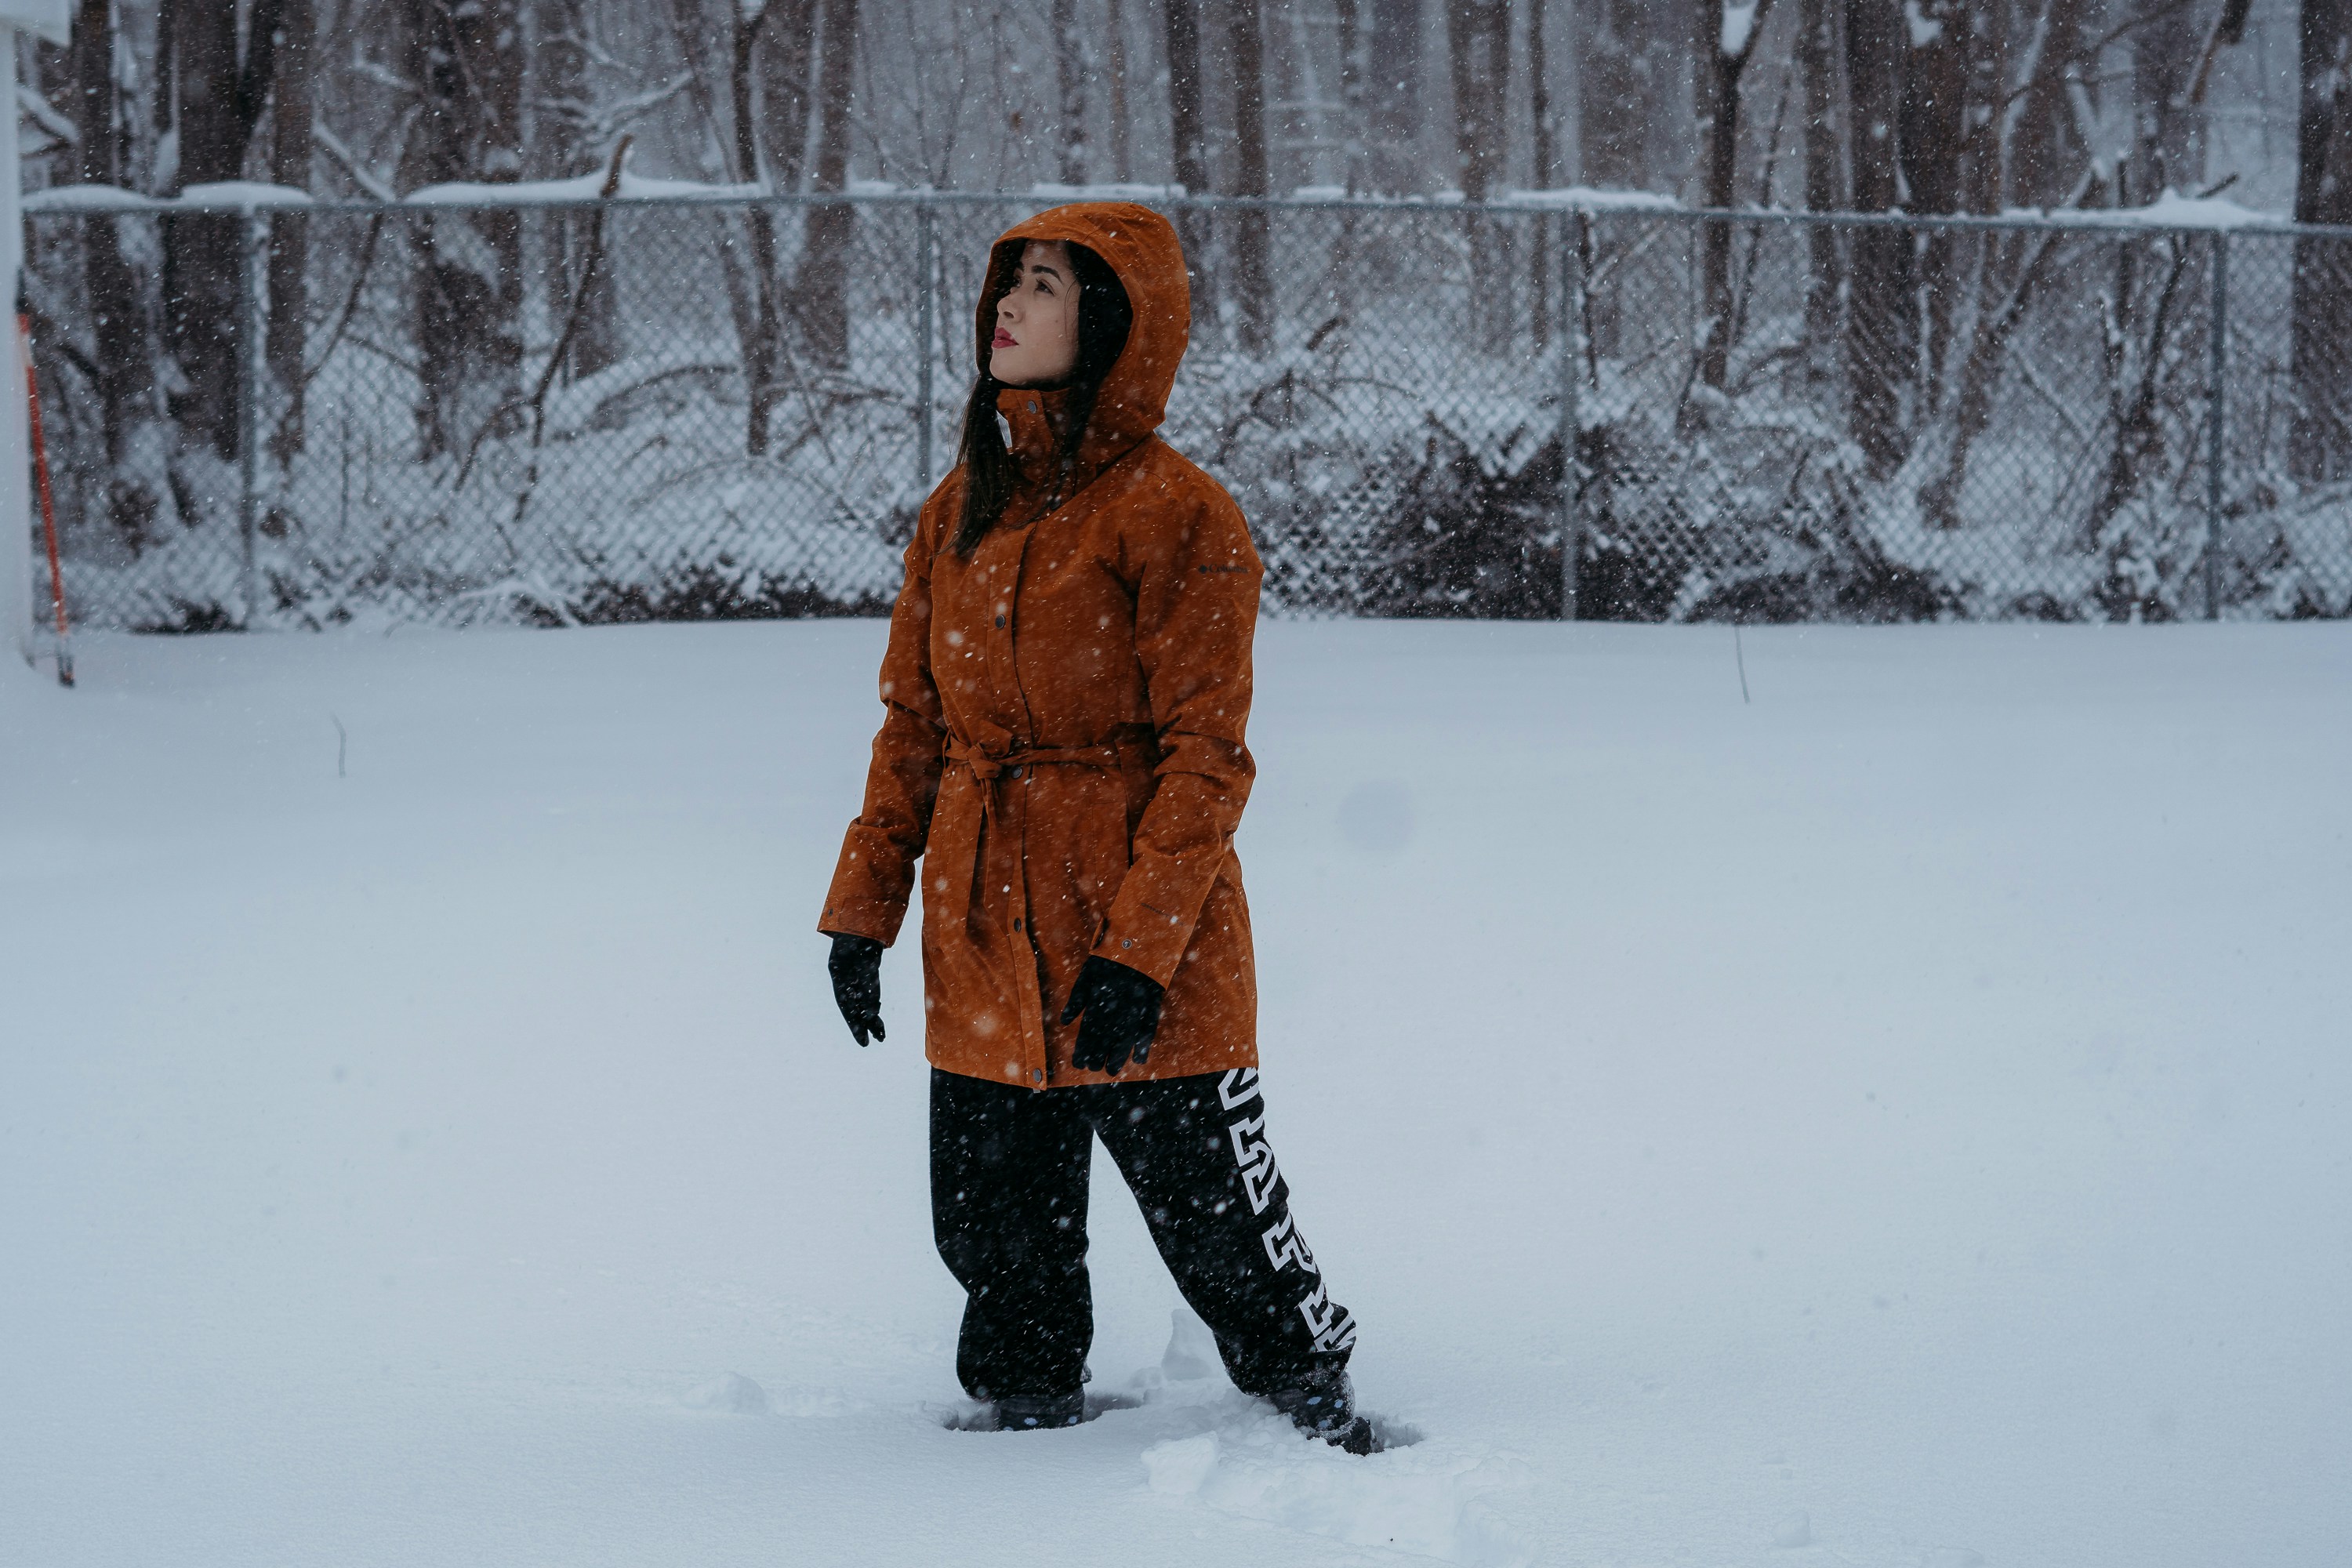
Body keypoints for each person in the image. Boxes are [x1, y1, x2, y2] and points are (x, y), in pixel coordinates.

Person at [818, 202, 1370, 1452]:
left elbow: (1205, 759)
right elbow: (912, 727)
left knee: (1214, 1215)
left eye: (1047, 286)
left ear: (1115, 322)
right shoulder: (957, 508)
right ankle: (1023, 1437)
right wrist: (864, 912)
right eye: (1008, 280)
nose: (1007, 305)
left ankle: (1310, 1402)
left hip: (1139, 940)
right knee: (993, 1226)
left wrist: (1139, 951)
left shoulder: (1180, 513)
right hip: (979, 932)